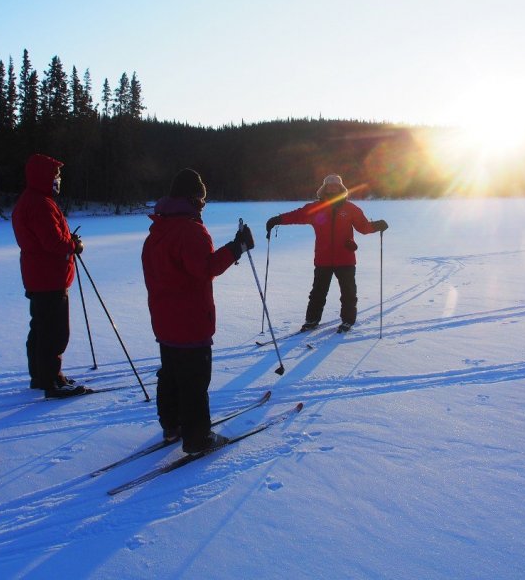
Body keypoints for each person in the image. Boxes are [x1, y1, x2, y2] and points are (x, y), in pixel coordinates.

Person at [142, 168, 255, 454]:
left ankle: (172, 425)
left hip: (165, 321)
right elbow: (205, 268)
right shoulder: (190, 230)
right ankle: (196, 437)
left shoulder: (159, 229)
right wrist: (237, 247)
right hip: (190, 321)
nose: (203, 206)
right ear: (193, 199)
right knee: (194, 380)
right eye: (201, 200)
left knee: (170, 374)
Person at [265, 173, 388, 333]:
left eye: (335, 184)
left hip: (345, 258)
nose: (332, 187)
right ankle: (312, 320)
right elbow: (296, 215)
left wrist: (377, 225)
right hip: (323, 258)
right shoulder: (315, 208)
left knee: (348, 292)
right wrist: (277, 220)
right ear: (324, 188)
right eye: (329, 185)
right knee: (318, 292)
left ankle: (348, 320)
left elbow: (363, 227)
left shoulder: (350, 208)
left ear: (340, 188)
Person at [12, 153, 87, 398]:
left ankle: (41, 376)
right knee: (54, 332)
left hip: (40, 276)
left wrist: (69, 242)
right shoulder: (40, 204)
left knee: (40, 328)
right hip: (49, 278)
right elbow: (52, 242)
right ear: (44, 177)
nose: (58, 179)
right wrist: (72, 245)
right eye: (55, 175)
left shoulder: (33, 200)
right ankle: (51, 380)